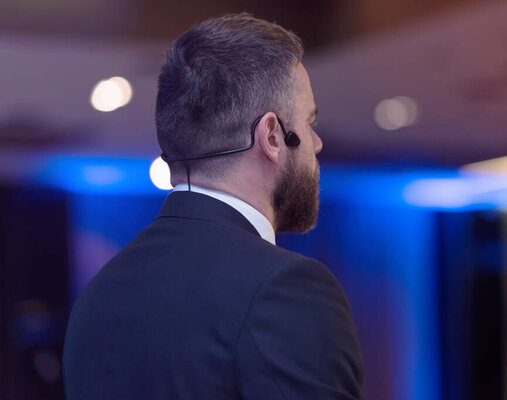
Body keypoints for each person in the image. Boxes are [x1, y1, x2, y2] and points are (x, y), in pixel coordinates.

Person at [63, 13, 364, 400]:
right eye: (309, 123)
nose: (317, 144)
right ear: (273, 136)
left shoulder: (96, 298)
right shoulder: (285, 287)